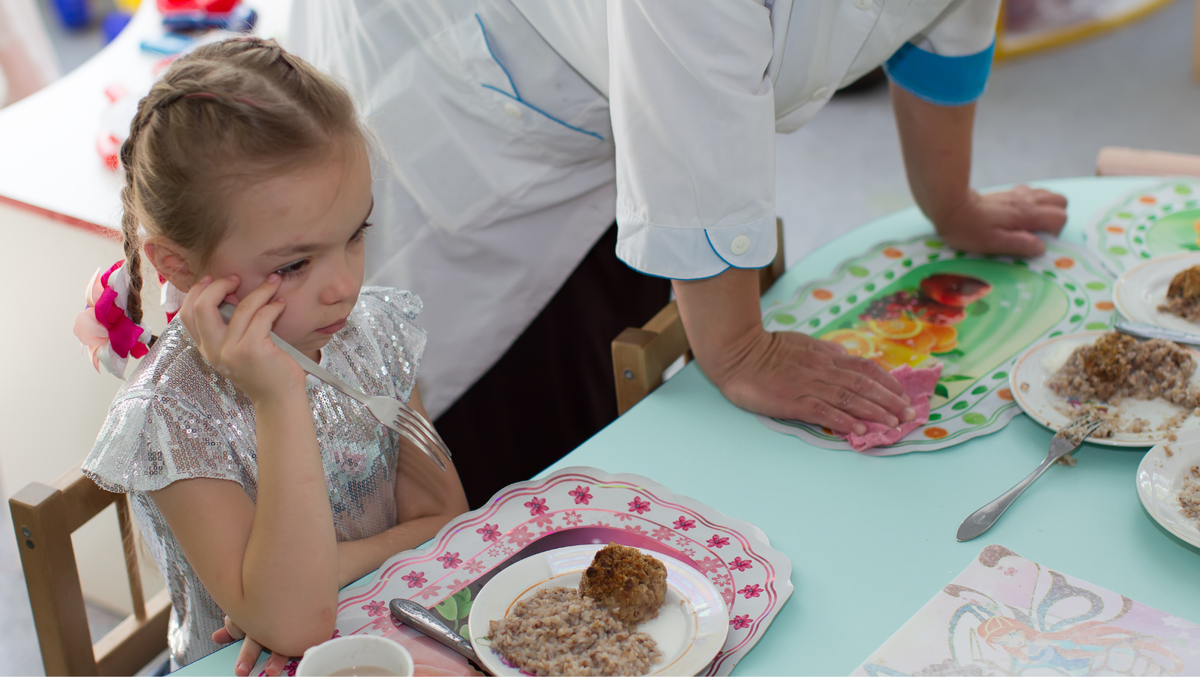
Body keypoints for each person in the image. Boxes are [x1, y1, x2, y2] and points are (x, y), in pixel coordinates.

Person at [289, 0, 1070, 507]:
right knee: (526, 447)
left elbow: (949, 17)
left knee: (640, 344)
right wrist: (737, 347)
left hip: (605, 84)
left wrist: (950, 200)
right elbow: (691, 92)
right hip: (465, 89)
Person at [76, 38, 469, 674]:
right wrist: (277, 396)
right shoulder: (172, 415)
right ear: (179, 265)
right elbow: (297, 621)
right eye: (294, 264)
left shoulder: (369, 332)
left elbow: (447, 519)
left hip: (384, 637)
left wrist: (309, 581)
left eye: (355, 235)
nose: (344, 284)